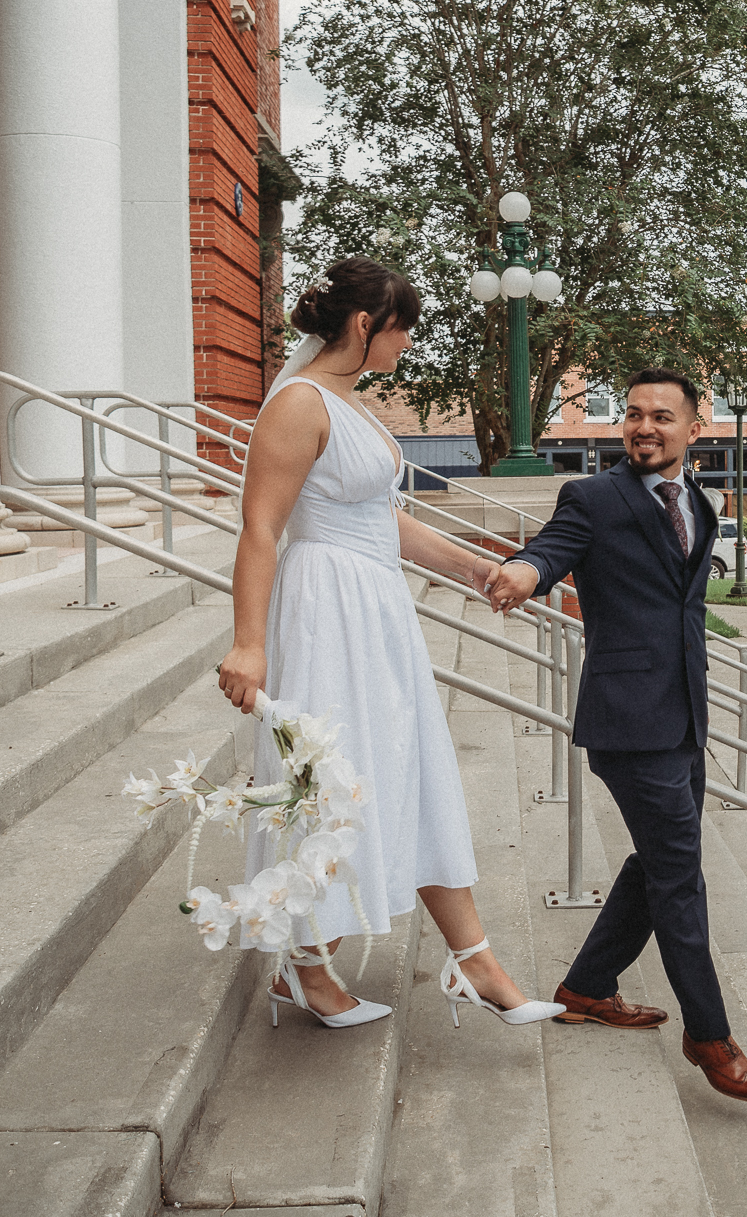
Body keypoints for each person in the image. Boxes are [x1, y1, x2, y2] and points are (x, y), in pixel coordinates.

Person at [216, 257, 562, 1031]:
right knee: (340, 778)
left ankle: (474, 960)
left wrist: (476, 566)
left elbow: (383, 519)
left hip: (374, 608)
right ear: (367, 325)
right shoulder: (299, 404)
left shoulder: (346, 401)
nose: (407, 346)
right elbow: (260, 528)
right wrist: (248, 642)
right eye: (403, 330)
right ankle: (307, 965)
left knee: (408, 769)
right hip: (325, 612)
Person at [485, 367, 747, 1103]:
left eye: (661, 416)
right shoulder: (594, 497)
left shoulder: (698, 504)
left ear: (692, 429)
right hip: (628, 722)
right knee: (680, 874)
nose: (644, 426)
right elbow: (551, 548)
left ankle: (586, 986)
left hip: (683, 718)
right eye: (633, 415)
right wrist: (524, 571)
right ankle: (709, 1035)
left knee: (657, 863)